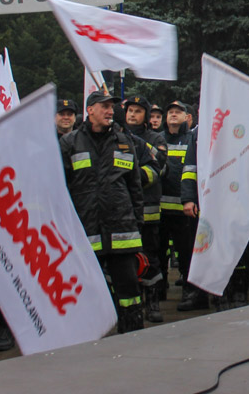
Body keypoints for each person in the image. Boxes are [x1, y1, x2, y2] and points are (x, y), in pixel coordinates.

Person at [62, 90, 145, 332]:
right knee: (88, 288)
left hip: (122, 229)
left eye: (111, 107)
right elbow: (62, 187)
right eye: (104, 107)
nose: (110, 111)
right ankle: (90, 334)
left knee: (129, 288)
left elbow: (134, 186)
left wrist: (136, 221)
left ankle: (132, 330)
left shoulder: (123, 142)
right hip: (86, 229)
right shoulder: (70, 142)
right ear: (90, 110)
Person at [121, 95, 168, 323]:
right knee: (125, 262)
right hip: (122, 211)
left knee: (150, 257)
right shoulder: (117, 137)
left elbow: (158, 166)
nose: (132, 114)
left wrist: (133, 176)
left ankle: (153, 302)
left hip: (148, 209)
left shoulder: (154, 138)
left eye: (138, 111)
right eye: (130, 110)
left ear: (146, 116)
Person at [160, 101, 205, 311]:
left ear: (187, 117)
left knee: (187, 254)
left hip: (184, 210)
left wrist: (189, 199)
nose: (174, 115)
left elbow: (189, 171)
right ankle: (159, 291)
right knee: (160, 253)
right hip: (160, 209)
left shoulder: (191, 138)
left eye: (178, 112)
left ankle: (191, 289)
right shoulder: (158, 139)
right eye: (170, 112)